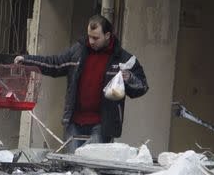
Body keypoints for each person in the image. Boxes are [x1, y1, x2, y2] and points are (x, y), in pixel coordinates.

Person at [15, 14, 148, 152]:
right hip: (74, 122)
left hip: (102, 125)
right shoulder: (78, 51)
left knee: (90, 164)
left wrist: (130, 78)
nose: (91, 41)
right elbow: (55, 64)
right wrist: (26, 61)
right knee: (72, 165)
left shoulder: (123, 59)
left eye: (96, 38)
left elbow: (142, 87)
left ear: (107, 35)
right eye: (89, 36)